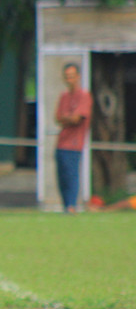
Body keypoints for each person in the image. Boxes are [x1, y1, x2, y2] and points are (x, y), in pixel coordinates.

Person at [54, 63, 92, 214]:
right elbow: (57, 117)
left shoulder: (84, 96)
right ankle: (65, 206)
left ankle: (71, 206)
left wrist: (67, 118)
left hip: (74, 144)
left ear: (78, 77)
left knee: (71, 174)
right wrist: (68, 118)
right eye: (67, 76)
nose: (69, 79)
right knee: (62, 176)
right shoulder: (64, 96)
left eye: (72, 76)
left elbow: (77, 119)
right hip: (61, 142)